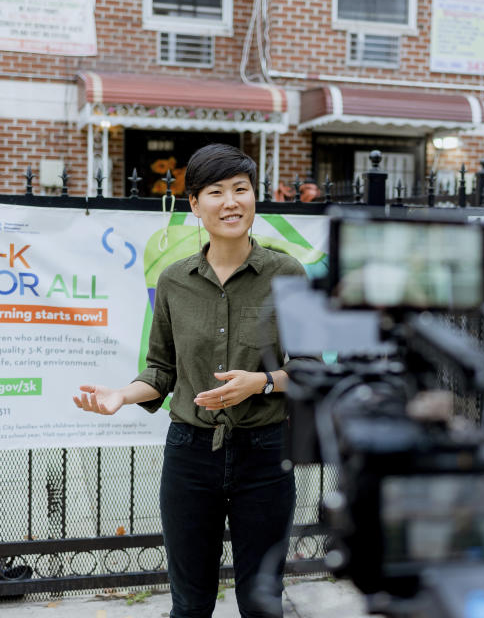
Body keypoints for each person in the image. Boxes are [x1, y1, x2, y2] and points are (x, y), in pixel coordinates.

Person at [73, 143, 308, 618]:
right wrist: (121, 394)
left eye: (241, 189)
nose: (231, 202)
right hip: (190, 455)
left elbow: (308, 368)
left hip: (264, 455)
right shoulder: (174, 280)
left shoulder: (287, 273)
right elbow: (161, 372)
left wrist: (259, 383)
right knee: (190, 604)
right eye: (216, 192)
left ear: (254, 198)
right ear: (195, 205)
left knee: (262, 603)